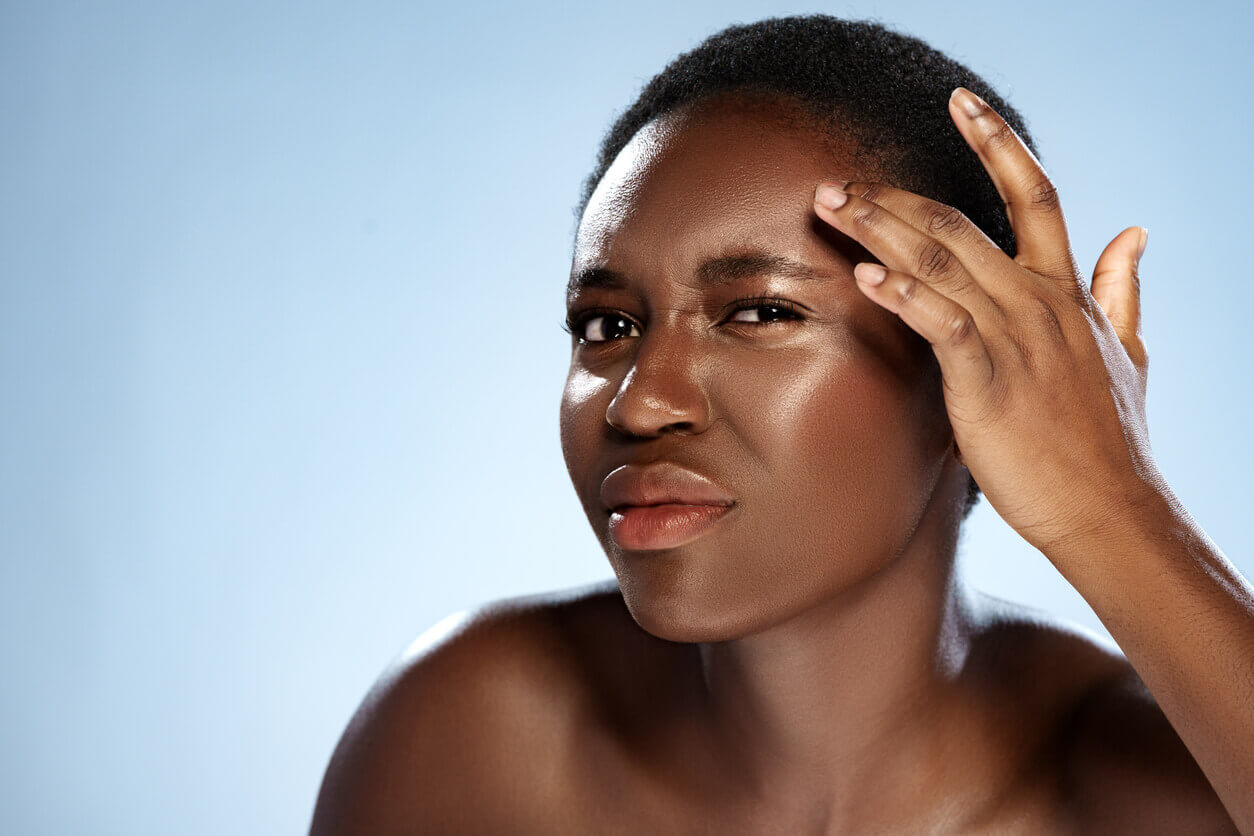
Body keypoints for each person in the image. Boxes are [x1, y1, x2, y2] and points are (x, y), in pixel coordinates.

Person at [310, 15, 1252, 834]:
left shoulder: (1161, 785)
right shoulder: (475, 743)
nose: (640, 403)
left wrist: (1110, 505)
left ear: (967, 377)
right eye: (608, 326)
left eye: (759, 312)